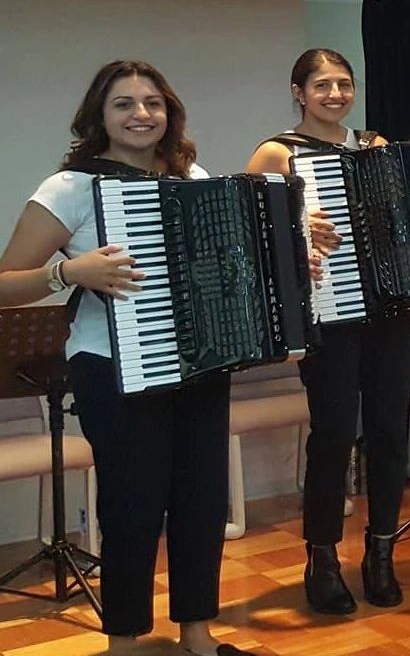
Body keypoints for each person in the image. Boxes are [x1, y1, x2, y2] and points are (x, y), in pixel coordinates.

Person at [0, 60, 252, 655]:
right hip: (113, 365)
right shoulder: (70, 187)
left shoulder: (195, 177)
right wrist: (68, 271)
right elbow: (6, 281)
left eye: (153, 103)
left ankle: (197, 634)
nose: (141, 114)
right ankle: (124, 643)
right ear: (99, 117)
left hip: (199, 360)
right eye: (124, 104)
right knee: (131, 505)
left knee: (200, 500)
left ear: (169, 113)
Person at [244, 48, 410, 614]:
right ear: (298, 91)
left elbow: (401, 221)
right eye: (322, 85)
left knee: (390, 434)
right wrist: (297, 234)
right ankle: (322, 557)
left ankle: (382, 551)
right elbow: (248, 237)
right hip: (328, 316)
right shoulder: (278, 151)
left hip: (389, 309)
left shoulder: (377, 147)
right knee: (334, 435)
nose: (336, 94)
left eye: (344, 84)